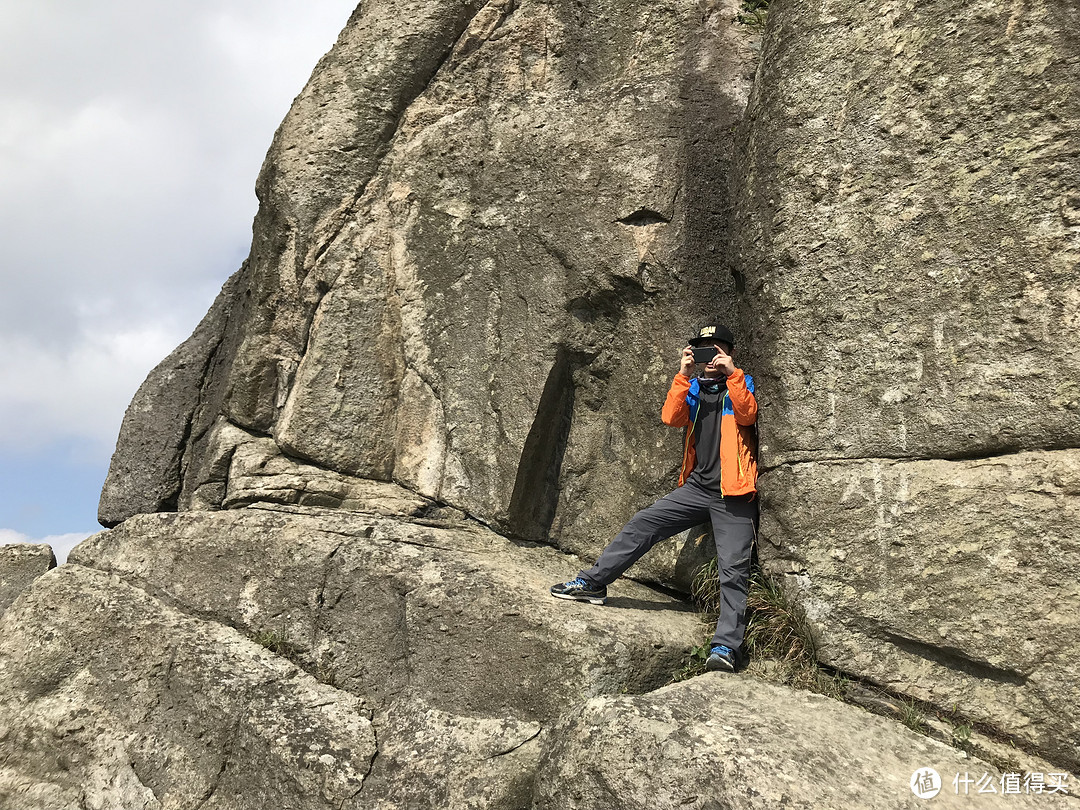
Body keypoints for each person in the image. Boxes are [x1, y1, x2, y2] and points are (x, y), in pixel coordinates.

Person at [550, 322, 759, 673]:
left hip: (734, 494)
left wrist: (732, 373)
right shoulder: (693, 388)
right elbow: (671, 417)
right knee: (643, 523)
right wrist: (683, 374)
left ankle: (725, 648)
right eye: (703, 349)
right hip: (695, 488)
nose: (710, 356)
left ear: (729, 352)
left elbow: (747, 414)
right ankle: (593, 582)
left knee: (733, 570)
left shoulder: (741, 383)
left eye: (716, 349)